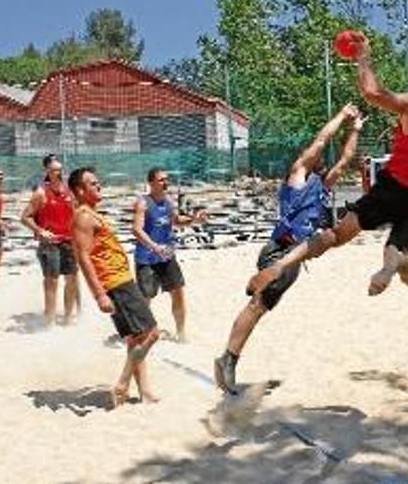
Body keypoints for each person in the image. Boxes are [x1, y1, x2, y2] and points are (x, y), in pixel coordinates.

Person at [246, 32, 408, 298]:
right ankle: (393, 263)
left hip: (393, 186)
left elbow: (372, 92)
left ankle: (281, 264)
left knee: (336, 235)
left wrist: (364, 57)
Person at [214, 104, 366, 394]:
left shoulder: (321, 186)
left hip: (295, 257)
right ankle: (227, 360)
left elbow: (346, 158)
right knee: (257, 306)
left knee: (261, 306)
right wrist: (342, 117)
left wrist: (356, 129)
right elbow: (321, 141)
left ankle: (231, 352)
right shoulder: (297, 177)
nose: (320, 159)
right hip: (281, 250)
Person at [69, 167, 161, 406]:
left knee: (135, 338)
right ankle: (122, 382)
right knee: (152, 334)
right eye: (92, 183)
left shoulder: (91, 213)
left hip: (120, 279)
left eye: (98, 182)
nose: (99, 186)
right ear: (80, 190)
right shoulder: (83, 217)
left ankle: (145, 392)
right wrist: (100, 294)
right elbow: (83, 257)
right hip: (115, 283)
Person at [131, 167, 208, 342]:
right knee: (147, 297)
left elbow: (176, 221)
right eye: (161, 180)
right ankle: (142, 333)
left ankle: (181, 333)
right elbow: (136, 229)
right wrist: (154, 246)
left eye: (167, 179)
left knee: (178, 291)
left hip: (166, 256)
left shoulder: (168, 202)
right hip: (147, 259)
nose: (166, 183)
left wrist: (195, 220)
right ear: (151, 183)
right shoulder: (143, 203)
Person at [21, 154, 80, 327]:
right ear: (47, 171)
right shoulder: (40, 192)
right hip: (49, 243)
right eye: (55, 170)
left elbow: (77, 213)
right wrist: (40, 230)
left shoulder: (69, 191)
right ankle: (50, 321)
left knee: (72, 278)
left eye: (60, 170)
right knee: (51, 280)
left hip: (69, 241)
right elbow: (25, 217)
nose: (59, 173)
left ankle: (68, 318)